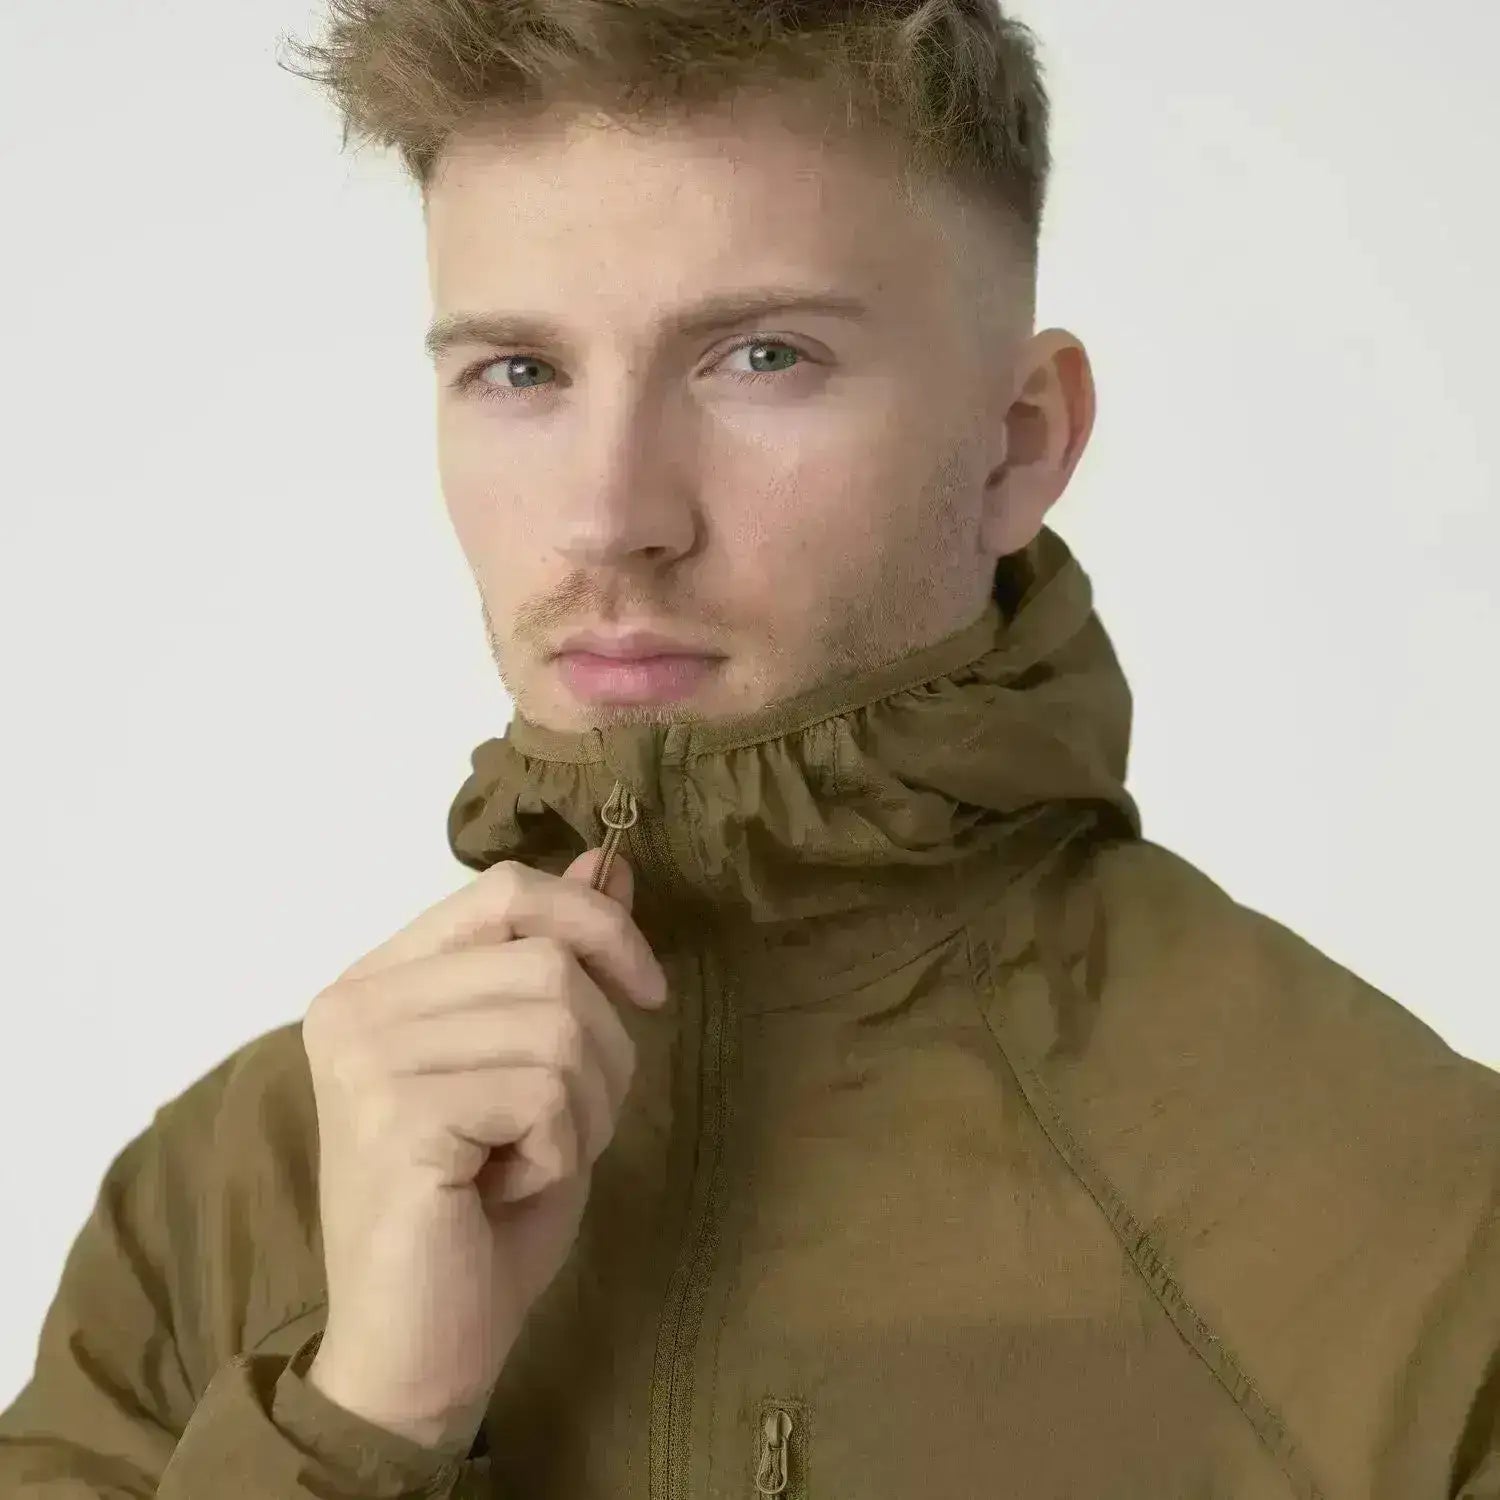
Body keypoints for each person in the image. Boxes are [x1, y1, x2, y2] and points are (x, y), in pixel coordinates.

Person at [4, 0, 1498, 1495]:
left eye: (761, 357)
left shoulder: (1423, 1242)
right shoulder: (217, 1209)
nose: (610, 518)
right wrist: (364, 1417)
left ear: (1021, 440)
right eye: (520, 372)